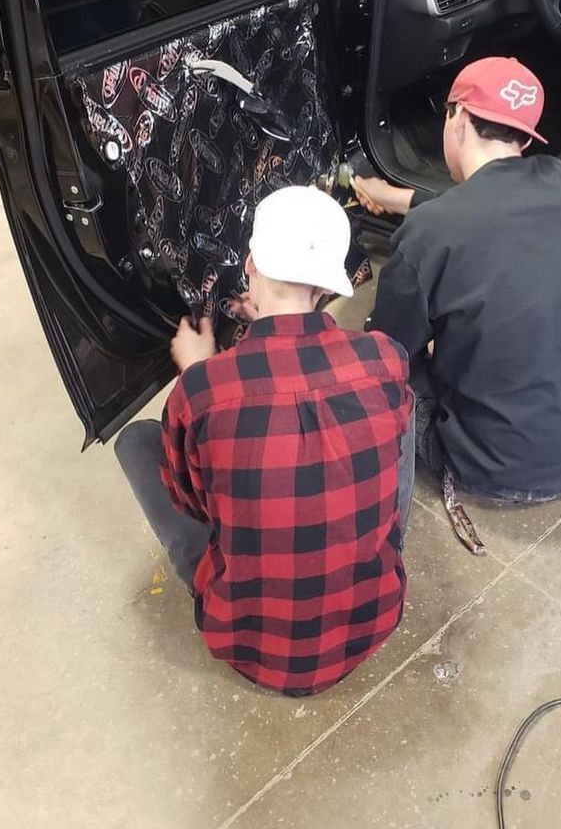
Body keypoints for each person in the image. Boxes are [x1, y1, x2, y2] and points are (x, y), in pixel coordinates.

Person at [115, 186, 414, 696]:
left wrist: (199, 371)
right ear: (326, 286)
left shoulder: (203, 390)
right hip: (372, 620)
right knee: (394, 413)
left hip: (247, 642)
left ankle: (213, 579)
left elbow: (194, 503)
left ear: (251, 264)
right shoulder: (383, 359)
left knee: (137, 442)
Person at [358, 57, 561, 510]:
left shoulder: (430, 232)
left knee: (385, 368)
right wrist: (394, 198)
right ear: (525, 137)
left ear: (458, 117)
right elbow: (482, 204)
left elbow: (386, 348)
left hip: (501, 467)